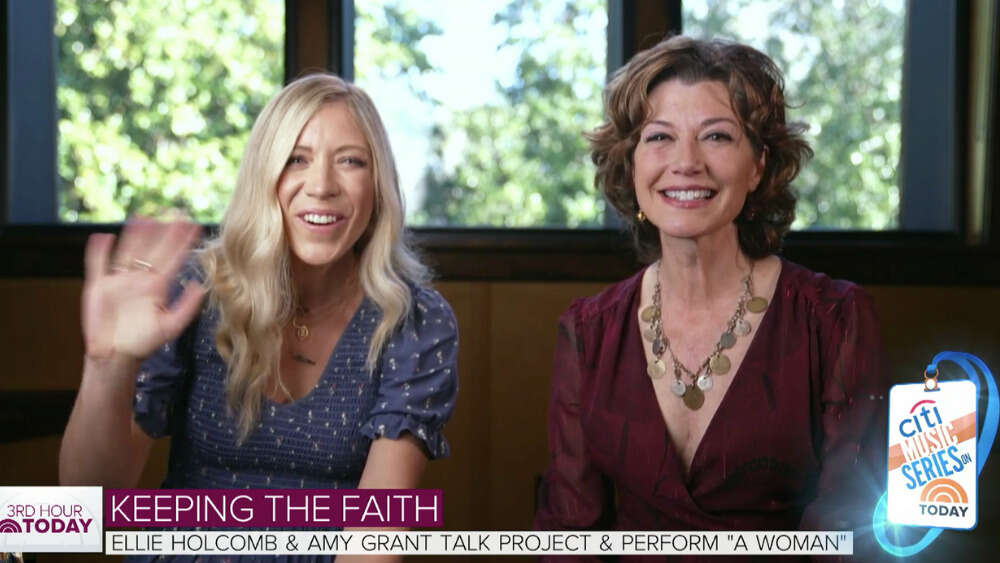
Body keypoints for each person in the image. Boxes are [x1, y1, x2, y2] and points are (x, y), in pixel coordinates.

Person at [60, 73, 459, 562]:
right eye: (297, 159)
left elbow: (376, 544)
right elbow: (90, 504)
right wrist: (110, 363)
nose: (322, 186)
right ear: (262, 174)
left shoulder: (414, 321)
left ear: (377, 185)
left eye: (350, 161)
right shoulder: (192, 296)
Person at [534, 36, 887, 560]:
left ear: (759, 164)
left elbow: (849, 534)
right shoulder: (589, 330)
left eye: (717, 136)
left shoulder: (833, 320)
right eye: (659, 138)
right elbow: (569, 534)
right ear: (631, 165)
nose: (686, 163)